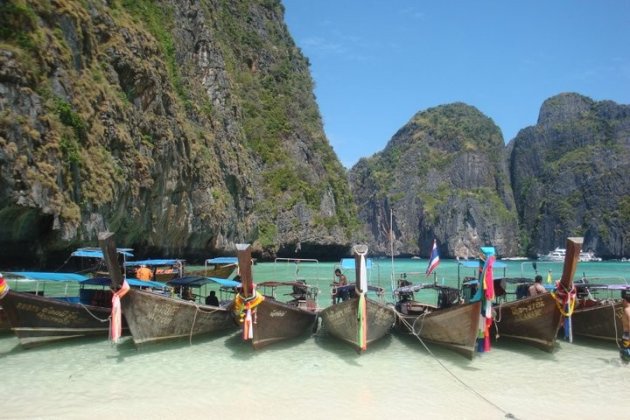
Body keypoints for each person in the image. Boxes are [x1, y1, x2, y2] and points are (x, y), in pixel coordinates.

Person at [621, 289, 630, 362]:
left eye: (623, 300)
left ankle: (624, 366)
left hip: (627, 334)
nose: (622, 302)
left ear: (626, 301)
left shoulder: (627, 310)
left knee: (625, 351)